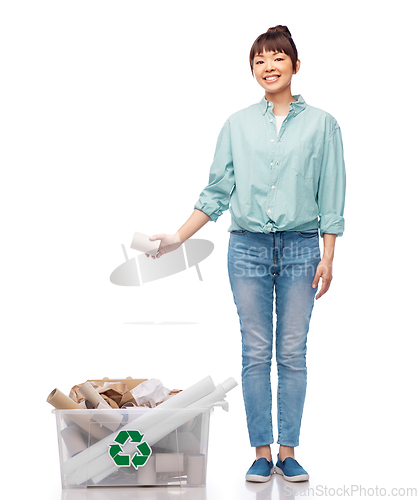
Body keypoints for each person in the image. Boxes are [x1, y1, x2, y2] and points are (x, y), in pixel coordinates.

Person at [146, 25, 346, 483]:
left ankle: (289, 451)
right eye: (259, 61)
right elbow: (217, 192)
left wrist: (328, 255)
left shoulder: (324, 125)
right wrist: (179, 237)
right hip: (247, 249)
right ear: (252, 70)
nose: (268, 67)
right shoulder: (236, 125)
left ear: (296, 65)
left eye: (277, 58)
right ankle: (261, 452)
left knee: (292, 353)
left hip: (300, 247)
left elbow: (332, 195)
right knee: (256, 352)